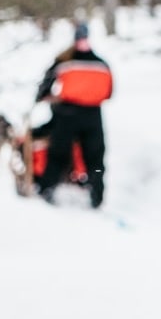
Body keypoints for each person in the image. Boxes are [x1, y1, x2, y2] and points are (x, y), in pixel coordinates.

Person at [35, 22, 112, 208]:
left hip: (67, 113)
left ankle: (47, 187)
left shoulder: (64, 61)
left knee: (58, 152)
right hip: (93, 114)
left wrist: (43, 97)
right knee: (95, 156)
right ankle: (97, 194)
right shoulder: (101, 64)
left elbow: (46, 83)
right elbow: (109, 92)